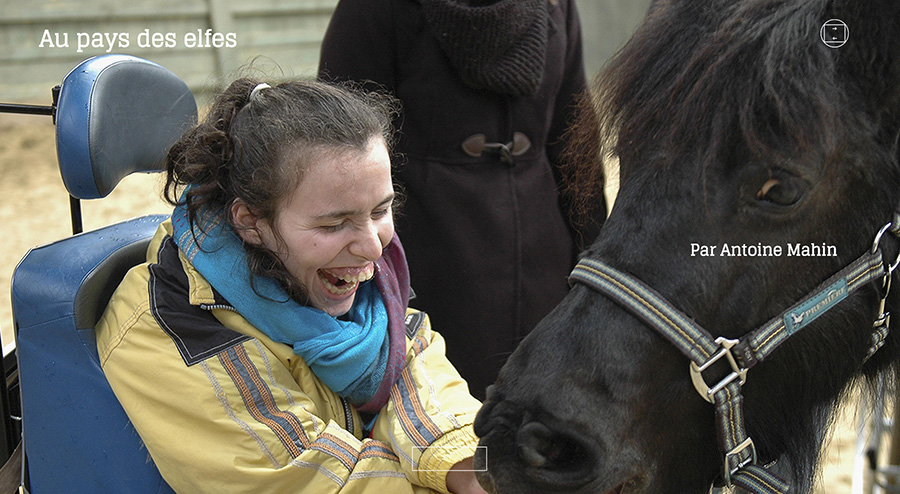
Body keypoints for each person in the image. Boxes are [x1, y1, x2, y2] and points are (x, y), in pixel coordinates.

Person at [95, 78, 487, 494]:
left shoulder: (334, 274)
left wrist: (473, 469)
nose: (373, 246)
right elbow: (309, 479)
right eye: (334, 223)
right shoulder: (173, 327)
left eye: (381, 209)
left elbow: (415, 367)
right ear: (249, 222)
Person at [318, 0, 605, 400]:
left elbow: (576, 143)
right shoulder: (376, 8)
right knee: (444, 414)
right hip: (425, 265)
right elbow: (340, 146)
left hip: (545, 264)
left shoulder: (555, 6)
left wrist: (595, 265)